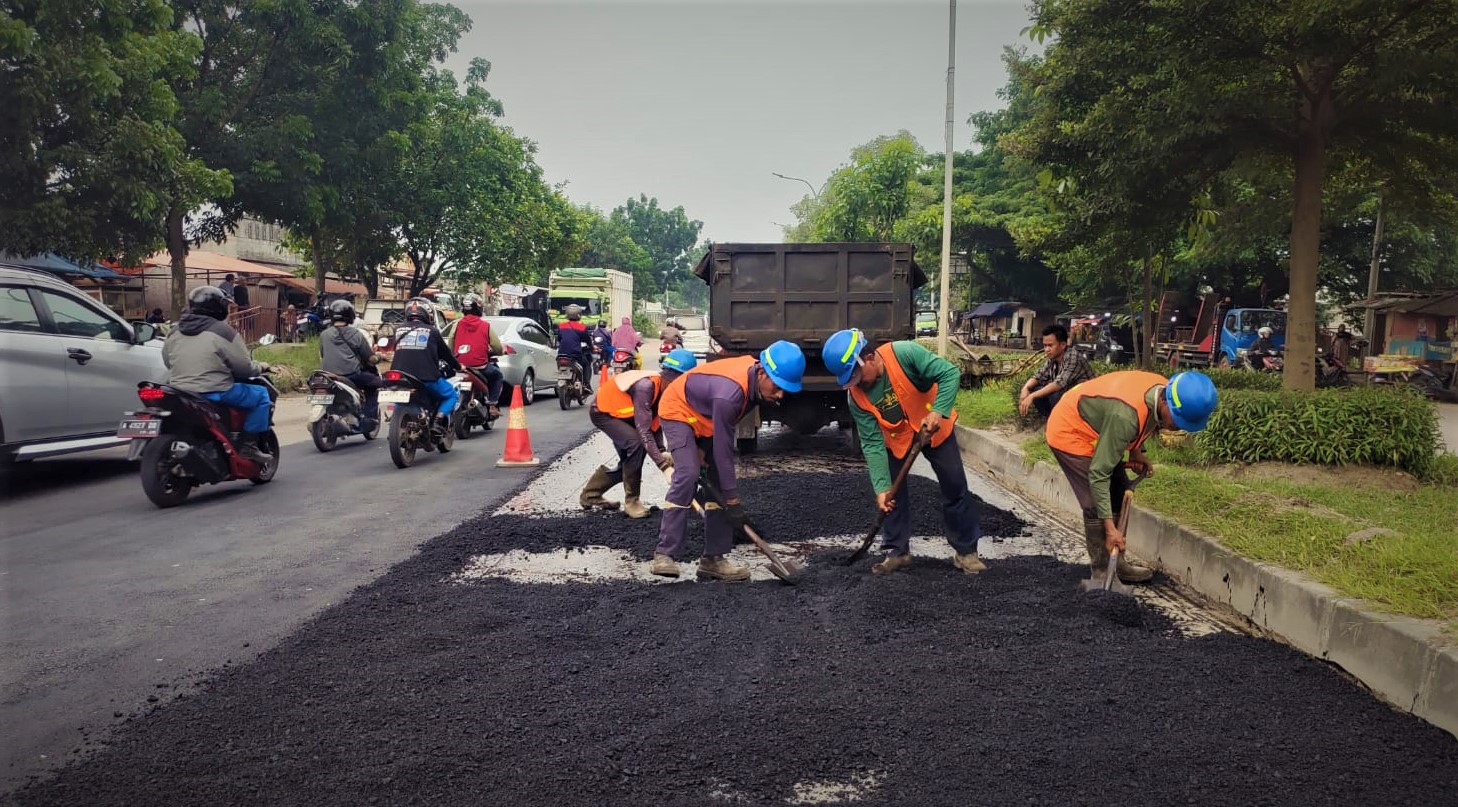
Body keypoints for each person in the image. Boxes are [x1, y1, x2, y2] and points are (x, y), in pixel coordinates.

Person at [822, 329, 984, 575]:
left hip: (935, 428)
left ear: (867, 357)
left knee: (955, 487)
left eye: (856, 375)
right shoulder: (856, 397)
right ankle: (898, 552)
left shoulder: (904, 354)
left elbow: (949, 373)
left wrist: (938, 411)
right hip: (897, 439)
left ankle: (966, 552)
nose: (856, 383)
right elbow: (871, 443)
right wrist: (881, 488)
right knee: (892, 496)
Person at [650, 341, 807, 581]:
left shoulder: (755, 386)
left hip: (707, 415)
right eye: (777, 387)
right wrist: (733, 501)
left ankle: (713, 559)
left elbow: (718, 433)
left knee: (716, 481)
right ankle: (664, 554)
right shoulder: (731, 393)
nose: (780, 394)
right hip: (678, 409)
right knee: (688, 474)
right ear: (763, 371)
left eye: (785, 389)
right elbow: (725, 451)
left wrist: (702, 449)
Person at [1046, 370, 1218, 584]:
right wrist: (1110, 530)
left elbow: (1147, 418)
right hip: (1070, 430)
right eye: (1178, 420)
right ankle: (1101, 573)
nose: (1179, 427)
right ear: (1166, 402)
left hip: (1103, 427)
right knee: (1094, 501)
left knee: (1119, 488)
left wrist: (1137, 451)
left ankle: (1117, 564)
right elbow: (1098, 474)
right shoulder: (1125, 416)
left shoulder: (1166, 392)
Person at [580, 348, 699, 518]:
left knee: (630, 460)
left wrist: (661, 449)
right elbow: (644, 430)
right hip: (604, 412)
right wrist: (664, 467)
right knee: (635, 444)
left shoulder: (663, 388)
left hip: (625, 415)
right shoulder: (646, 387)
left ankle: (590, 495)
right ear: (675, 378)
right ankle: (632, 502)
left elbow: (655, 421)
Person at [161, 286, 272, 463]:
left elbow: (167, 361)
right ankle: (248, 447)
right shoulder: (224, 331)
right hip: (214, 391)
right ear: (218, 307)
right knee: (261, 396)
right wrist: (261, 367)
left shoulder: (174, 330)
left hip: (179, 391)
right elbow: (244, 368)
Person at [389, 297, 460, 435]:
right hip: (426, 377)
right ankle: (438, 421)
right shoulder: (432, 331)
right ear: (428, 314)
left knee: (400, 396)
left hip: (399, 376)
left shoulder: (398, 330)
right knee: (451, 395)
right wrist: (458, 367)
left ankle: (397, 420)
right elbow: (446, 354)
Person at [318, 299, 384, 431]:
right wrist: (379, 357)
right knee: (376, 385)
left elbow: (322, 354)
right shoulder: (356, 334)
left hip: (328, 375)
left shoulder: (323, 335)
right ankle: (369, 421)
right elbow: (370, 359)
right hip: (350, 375)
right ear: (350, 315)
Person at [1019, 324, 1095, 418]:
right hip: (1072, 398)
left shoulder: (1073, 357)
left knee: (1055, 394)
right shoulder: (1053, 359)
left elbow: (1059, 384)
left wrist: (1032, 396)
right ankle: (1051, 420)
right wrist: (1025, 388)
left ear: (1063, 344)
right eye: (1045, 345)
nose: (1047, 349)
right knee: (1036, 390)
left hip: (1088, 402)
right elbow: (1038, 376)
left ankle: (1062, 422)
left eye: (1050, 345)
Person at [450, 293, 505, 418]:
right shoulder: (486, 326)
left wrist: (454, 356)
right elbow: (496, 346)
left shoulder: (456, 324)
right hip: (480, 366)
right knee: (497, 376)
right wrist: (500, 352)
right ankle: (492, 405)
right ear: (479, 308)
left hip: (460, 366)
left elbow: (451, 342)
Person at [556, 305, 593, 392]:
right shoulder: (581, 327)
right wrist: (592, 347)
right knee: (586, 365)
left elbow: (559, 338)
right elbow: (587, 340)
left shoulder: (561, 326)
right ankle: (586, 384)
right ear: (579, 315)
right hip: (575, 355)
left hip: (561, 354)